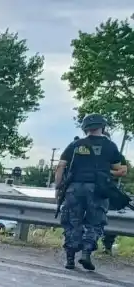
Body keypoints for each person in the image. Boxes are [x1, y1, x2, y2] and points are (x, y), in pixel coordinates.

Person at [54, 114, 128, 270]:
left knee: (72, 221)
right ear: (103, 126)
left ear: (84, 128)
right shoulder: (110, 146)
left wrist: (58, 187)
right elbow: (122, 170)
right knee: (95, 222)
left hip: (74, 188)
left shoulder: (75, 144)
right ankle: (86, 253)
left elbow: (60, 166)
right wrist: (105, 173)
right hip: (98, 189)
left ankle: (70, 258)